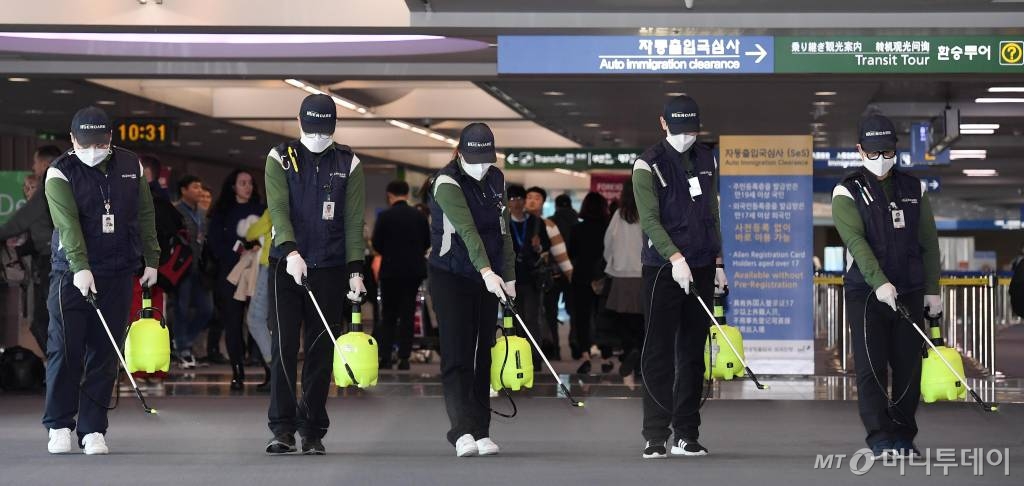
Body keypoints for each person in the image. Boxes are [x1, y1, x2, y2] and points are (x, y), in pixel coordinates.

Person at [42, 107, 159, 455]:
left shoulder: (130, 165)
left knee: (105, 352)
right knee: (65, 349)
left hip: (118, 270)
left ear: (110, 139)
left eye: (101, 142)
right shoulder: (59, 172)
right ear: (72, 139)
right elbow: (68, 225)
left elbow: (144, 213)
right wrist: (80, 266)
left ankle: (93, 429)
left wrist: (151, 258)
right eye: (86, 143)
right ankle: (60, 424)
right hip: (70, 274)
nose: (94, 149)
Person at [831, 114, 941, 459]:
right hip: (866, 294)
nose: (882, 159)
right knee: (871, 366)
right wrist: (879, 283)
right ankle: (879, 436)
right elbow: (856, 242)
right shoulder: (846, 190)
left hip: (908, 288)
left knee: (909, 366)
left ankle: (903, 435)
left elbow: (929, 243)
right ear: (860, 150)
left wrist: (932, 290)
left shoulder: (913, 188)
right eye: (874, 152)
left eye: (888, 152)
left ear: (896, 149)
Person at [264, 93, 366, 455]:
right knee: (284, 347)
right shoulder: (280, 157)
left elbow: (354, 221)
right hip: (285, 267)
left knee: (321, 351)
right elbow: (277, 208)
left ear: (334, 126)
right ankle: (281, 428)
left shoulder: (348, 161)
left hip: (330, 266)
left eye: (325, 129)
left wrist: (356, 270)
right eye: (313, 128)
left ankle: (312, 430)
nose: (319, 135)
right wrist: (290, 250)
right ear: (300, 123)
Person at [633, 94, 725, 459]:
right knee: (658, 352)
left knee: (692, 352)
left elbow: (711, 211)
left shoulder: (705, 157)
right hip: (661, 268)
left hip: (701, 264)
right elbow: (650, 219)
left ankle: (686, 433)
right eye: (679, 128)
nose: (687, 136)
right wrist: (674, 257)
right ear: (663, 123)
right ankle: (655, 435)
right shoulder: (647, 164)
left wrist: (717, 263)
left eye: (692, 129)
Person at [428, 122, 515, 457]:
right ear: (460, 151)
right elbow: (467, 231)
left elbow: (503, 231)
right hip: (451, 274)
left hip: (488, 275)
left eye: (487, 157)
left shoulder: (496, 179)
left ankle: (481, 430)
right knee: (457, 352)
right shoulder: (446, 181)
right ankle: (461, 430)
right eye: (475, 157)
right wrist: (486, 271)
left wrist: (509, 276)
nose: (482, 164)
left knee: (484, 351)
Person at [0, 145, 62, 353]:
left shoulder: (49, 185)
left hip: (51, 261)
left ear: (45, 164)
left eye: (35, 163)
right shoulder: (67, 182)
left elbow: (21, 220)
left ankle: (63, 369)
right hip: (66, 259)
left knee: (42, 322)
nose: (33, 167)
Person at [207, 169, 265, 389]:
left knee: (259, 319)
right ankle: (237, 371)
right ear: (233, 186)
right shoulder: (222, 212)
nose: (247, 187)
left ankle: (265, 365)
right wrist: (238, 251)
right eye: (242, 183)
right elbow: (215, 243)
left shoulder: (262, 210)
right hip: (230, 273)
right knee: (232, 322)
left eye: (250, 183)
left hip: (258, 272)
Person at [372, 180, 430, 370]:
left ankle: (386, 357)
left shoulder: (385, 217)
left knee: (388, 315)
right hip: (413, 272)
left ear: (390, 195)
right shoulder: (419, 216)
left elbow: (377, 243)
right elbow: (427, 242)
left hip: (390, 272)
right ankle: (404, 357)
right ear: (407, 194)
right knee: (408, 314)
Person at [602, 180, 645, 379]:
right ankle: (640, 359)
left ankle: (630, 351)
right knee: (644, 321)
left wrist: (611, 262)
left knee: (624, 321)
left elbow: (608, 242)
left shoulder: (619, 215)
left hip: (621, 276)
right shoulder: (648, 212)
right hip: (644, 275)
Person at [525, 187, 573, 359]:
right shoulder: (514, 222)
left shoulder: (548, 225)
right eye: (528, 197)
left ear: (543, 202)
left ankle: (551, 350)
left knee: (549, 315)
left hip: (545, 280)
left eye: (537, 198)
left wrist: (569, 274)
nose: (531, 201)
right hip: (522, 279)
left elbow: (560, 253)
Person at [172, 174, 213, 368]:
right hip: (181, 267)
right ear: (184, 190)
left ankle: (184, 341)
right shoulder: (176, 211)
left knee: (206, 309)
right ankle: (182, 347)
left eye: (200, 187)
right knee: (181, 308)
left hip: (200, 267)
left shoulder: (202, 213)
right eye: (195, 187)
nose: (199, 191)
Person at [568, 192, 609, 374]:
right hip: (603, 277)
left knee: (582, 318)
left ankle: (585, 355)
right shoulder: (608, 228)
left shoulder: (577, 229)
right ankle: (606, 356)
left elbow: (571, 253)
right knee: (603, 316)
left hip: (581, 277)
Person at [507, 184, 546, 360]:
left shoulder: (536, 222)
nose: (516, 203)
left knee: (532, 318)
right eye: (512, 199)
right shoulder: (504, 222)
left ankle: (534, 358)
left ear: (524, 201)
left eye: (519, 199)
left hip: (531, 278)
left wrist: (539, 247)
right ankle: (517, 358)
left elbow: (547, 249)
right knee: (515, 319)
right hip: (509, 279)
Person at [244, 208, 274, 389]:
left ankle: (275, 369)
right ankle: (278, 371)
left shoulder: (275, 206)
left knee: (255, 319)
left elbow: (251, 233)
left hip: (271, 264)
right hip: (297, 266)